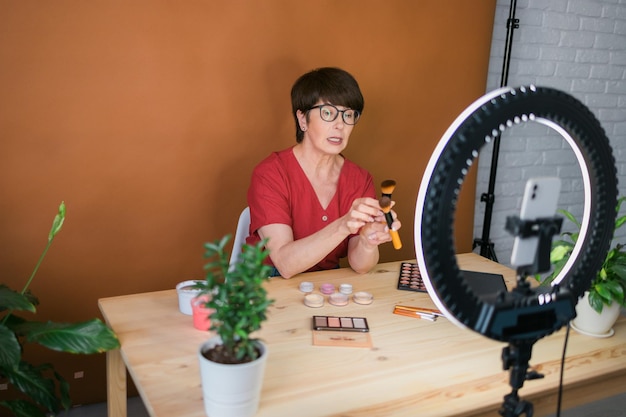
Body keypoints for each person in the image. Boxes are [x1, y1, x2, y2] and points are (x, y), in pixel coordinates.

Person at [246, 67, 401, 279]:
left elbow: (361, 266)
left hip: (327, 281)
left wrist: (367, 240)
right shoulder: (271, 173)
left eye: (348, 115)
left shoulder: (360, 179)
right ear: (302, 119)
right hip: (268, 283)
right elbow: (285, 264)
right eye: (328, 113)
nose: (340, 125)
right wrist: (344, 224)